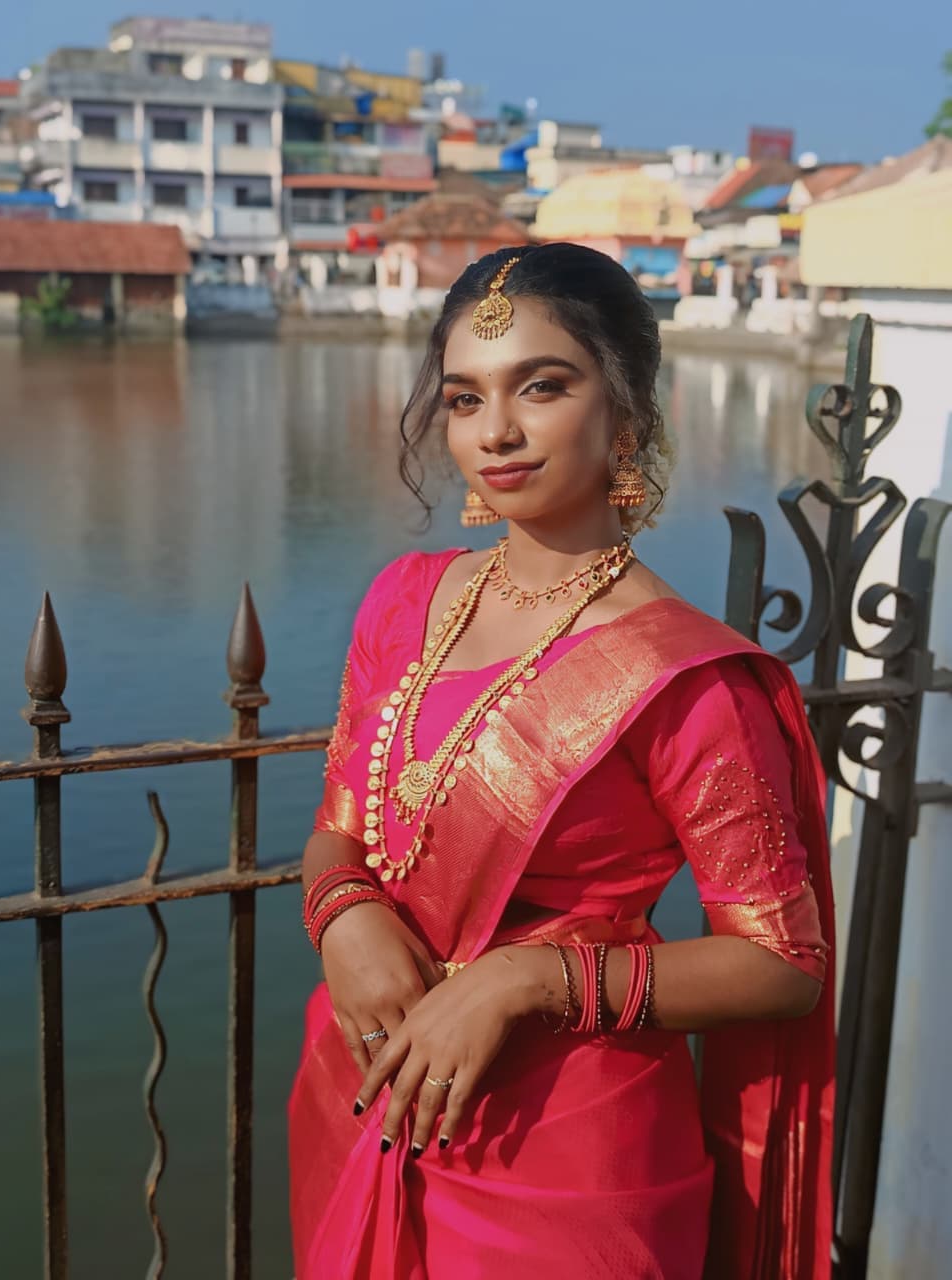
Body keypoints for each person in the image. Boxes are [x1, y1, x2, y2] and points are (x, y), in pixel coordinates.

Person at [288, 243, 834, 1280]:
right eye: (464, 398)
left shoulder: (687, 678)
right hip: (361, 1083)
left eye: (540, 386)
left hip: (561, 1150)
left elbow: (781, 964)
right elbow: (338, 831)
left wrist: (523, 980)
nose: (493, 430)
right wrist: (343, 914)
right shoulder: (404, 601)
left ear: (624, 411)